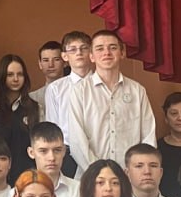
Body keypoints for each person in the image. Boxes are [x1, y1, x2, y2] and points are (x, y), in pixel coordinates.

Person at [66, 30, 157, 173]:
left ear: (122, 53)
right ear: (91, 56)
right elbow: (77, 140)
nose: (106, 53)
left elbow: (148, 136)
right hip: (91, 176)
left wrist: (138, 170)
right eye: (99, 48)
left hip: (130, 176)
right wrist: (99, 173)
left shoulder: (137, 91)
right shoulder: (80, 91)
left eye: (113, 47)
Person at [41, 32, 94, 173]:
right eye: (73, 49)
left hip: (98, 149)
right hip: (68, 153)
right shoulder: (56, 89)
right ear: (64, 56)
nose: (79, 53)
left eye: (84, 48)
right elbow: (53, 127)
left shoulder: (102, 85)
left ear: (91, 53)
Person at [27, 122, 81, 197]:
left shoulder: (80, 191)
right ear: (31, 152)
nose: (51, 158)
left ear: (64, 151)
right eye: (43, 151)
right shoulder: (17, 194)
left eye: (57, 150)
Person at [0, 53, 40, 174]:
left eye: (20, 74)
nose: (15, 79)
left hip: (27, 172)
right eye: (10, 75)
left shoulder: (35, 108)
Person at [29, 40, 64, 113]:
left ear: (65, 62)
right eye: (46, 60)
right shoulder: (33, 98)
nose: (51, 65)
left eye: (56, 59)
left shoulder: (75, 91)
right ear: (40, 64)